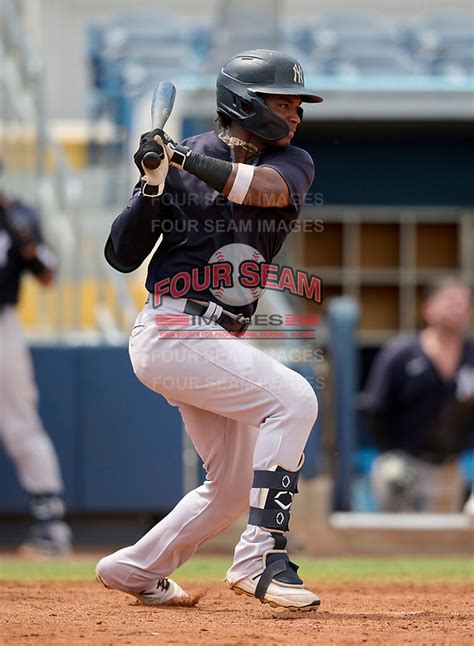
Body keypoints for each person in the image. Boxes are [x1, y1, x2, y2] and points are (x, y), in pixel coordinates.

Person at [96, 49, 323, 611]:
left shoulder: (293, 163)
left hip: (219, 338)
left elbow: (259, 189)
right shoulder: (181, 161)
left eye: (296, 104)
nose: (294, 114)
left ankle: (132, 569)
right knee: (294, 399)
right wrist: (151, 184)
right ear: (244, 104)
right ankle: (260, 557)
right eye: (282, 102)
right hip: (173, 328)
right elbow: (123, 256)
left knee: (228, 491)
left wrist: (179, 162)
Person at [362, 277, 474, 512]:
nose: (458, 308)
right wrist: (390, 454)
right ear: (428, 308)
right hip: (404, 461)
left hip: (449, 466)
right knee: (397, 534)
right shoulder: (401, 353)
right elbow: (375, 407)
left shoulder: (470, 356)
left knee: (444, 543)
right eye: (450, 301)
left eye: (464, 302)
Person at [0, 192, 72, 555]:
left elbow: (47, 273)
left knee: (20, 422)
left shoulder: (17, 215)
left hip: (3, 325)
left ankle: (50, 527)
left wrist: (27, 244)